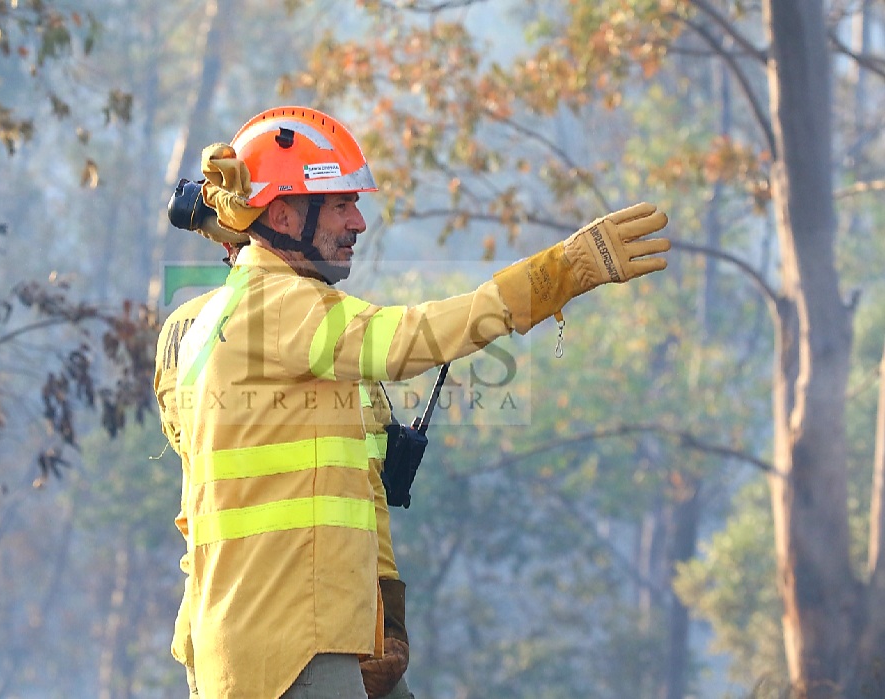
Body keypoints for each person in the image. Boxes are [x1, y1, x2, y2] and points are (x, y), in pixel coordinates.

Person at [167, 106, 670, 699]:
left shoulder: (192, 329)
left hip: (279, 636)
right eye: (340, 204)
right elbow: (413, 338)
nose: (357, 222)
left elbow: (355, 485)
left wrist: (387, 615)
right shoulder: (283, 309)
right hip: (291, 647)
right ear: (281, 214)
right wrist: (556, 274)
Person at [155, 231, 414, 698]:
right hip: (307, 622)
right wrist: (390, 617)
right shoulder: (329, 330)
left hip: (229, 619)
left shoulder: (186, 330)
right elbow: (367, 490)